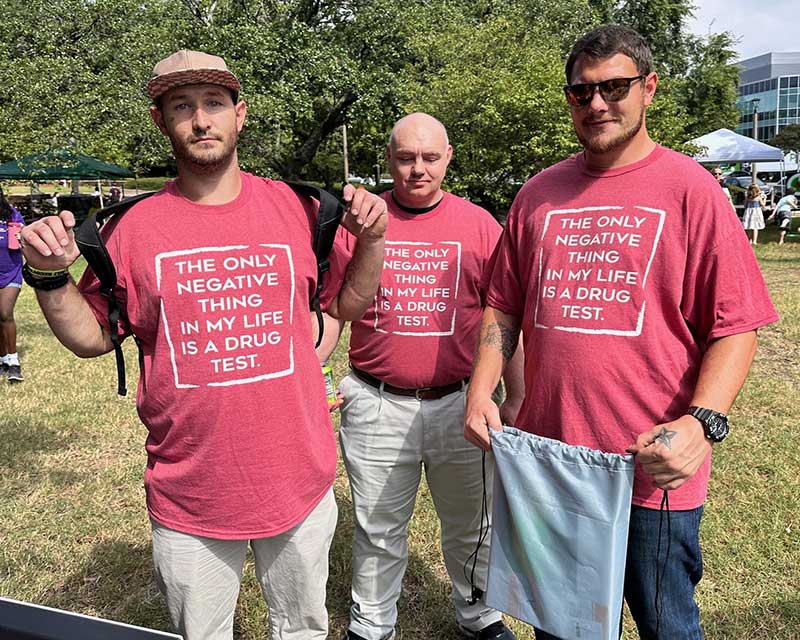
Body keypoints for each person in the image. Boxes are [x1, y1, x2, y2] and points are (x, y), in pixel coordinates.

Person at [18, 49, 388, 640]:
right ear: (162, 121)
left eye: (214, 103)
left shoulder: (299, 209)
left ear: (240, 115)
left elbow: (345, 305)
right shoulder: (130, 228)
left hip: (298, 477)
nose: (201, 120)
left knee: (303, 630)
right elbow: (92, 337)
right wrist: (46, 275)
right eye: (182, 106)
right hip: (190, 491)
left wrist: (373, 241)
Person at [465, 25, 778, 640]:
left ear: (649, 87)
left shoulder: (691, 189)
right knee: (560, 625)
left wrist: (701, 422)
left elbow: (736, 325)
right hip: (553, 466)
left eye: (614, 87)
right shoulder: (537, 194)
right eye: (582, 92)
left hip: (649, 470)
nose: (598, 103)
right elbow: (502, 306)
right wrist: (482, 389)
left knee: (667, 625)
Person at [325, 113, 523, 640]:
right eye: (406, 158)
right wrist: (311, 373)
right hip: (376, 399)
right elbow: (332, 308)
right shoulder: (361, 224)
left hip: (461, 401)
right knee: (378, 527)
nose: (417, 169)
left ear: (448, 157)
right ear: (388, 158)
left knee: (471, 523)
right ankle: (372, 622)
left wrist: (516, 394)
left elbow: (502, 315)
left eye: (429, 158)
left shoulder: (480, 225)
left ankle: (479, 612)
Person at [0, 189, 24, 382]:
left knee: (5, 313)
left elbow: (23, 238)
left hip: (11, 271)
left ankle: (14, 363)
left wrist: (20, 236)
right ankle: (3, 360)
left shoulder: (12, 214)